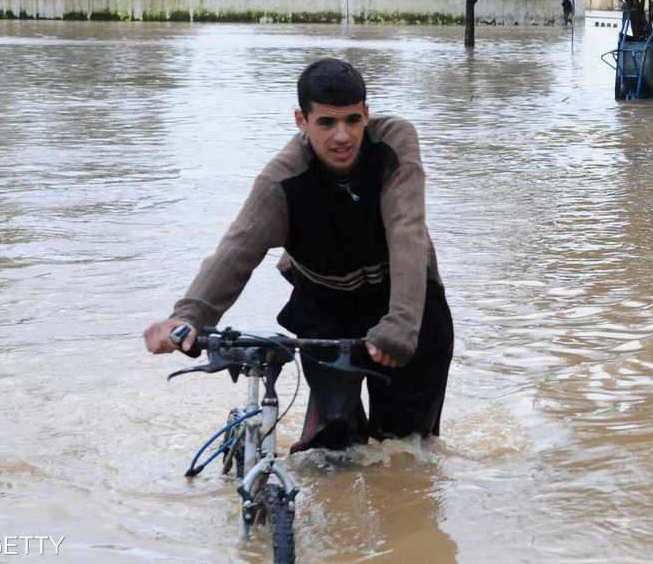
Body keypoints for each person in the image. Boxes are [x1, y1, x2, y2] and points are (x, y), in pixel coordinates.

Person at [143, 58, 455, 453]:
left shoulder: (395, 141)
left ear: (367, 115)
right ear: (301, 121)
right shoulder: (282, 181)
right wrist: (188, 318)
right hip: (327, 307)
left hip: (409, 302)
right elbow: (237, 250)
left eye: (353, 120)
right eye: (326, 122)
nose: (342, 136)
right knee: (333, 444)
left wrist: (401, 325)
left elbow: (407, 232)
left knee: (405, 450)